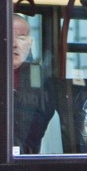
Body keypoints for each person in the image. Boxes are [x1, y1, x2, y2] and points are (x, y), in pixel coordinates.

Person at [13, 13, 64, 154]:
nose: (14, 44)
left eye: (21, 38)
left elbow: (45, 112)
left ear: (30, 44)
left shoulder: (39, 77)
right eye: (8, 36)